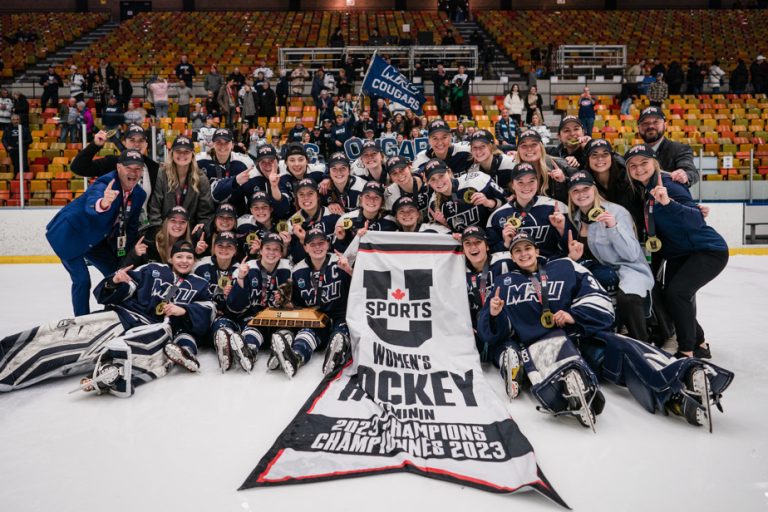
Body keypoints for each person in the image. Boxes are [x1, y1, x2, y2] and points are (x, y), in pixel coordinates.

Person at [478, 231, 733, 430]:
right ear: (512, 256)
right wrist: (494, 314)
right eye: (517, 251)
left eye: (527, 248)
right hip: (546, 344)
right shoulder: (503, 283)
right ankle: (572, 390)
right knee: (558, 353)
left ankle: (681, 381)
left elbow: (597, 298)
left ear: (536, 250)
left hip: (583, 337)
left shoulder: (565, 267)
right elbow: (494, 335)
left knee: (623, 348)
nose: (523, 254)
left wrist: (574, 315)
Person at [0, 239, 216, 397]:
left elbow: (208, 310)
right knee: (64, 332)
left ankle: (113, 368)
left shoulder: (199, 284)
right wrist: (115, 281)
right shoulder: (153, 269)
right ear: (171, 258)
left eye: (189, 257)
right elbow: (124, 286)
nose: (184, 261)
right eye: (179, 256)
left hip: (153, 328)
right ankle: (9, 356)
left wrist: (185, 311)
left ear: (194, 260)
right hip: (122, 316)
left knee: (148, 341)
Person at [624, 144, 728, 359]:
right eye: (633, 165)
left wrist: (668, 203)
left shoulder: (669, 185)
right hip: (679, 253)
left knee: (678, 293)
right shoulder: (645, 189)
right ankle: (699, 342)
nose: (639, 168)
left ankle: (686, 350)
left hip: (706, 250)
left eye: (644, 163)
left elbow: (696, 218)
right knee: (671, 296)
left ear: (655, 163)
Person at [46, 149, 147, 316]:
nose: (134, 173)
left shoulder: (139, 194)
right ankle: (82, 320)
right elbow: (92, 204)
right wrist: (104, 203)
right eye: (129, 168)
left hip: (95, 239)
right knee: (82, 280)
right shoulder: (105, 183)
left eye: (138, 169)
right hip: (69, 234)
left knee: (117, 271)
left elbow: (131, 226)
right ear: (118, 168)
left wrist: (128, 254)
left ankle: (118, 311)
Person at [565, 170, 653, 341]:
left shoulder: (616, 212)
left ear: (594, 189)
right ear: (570, 194)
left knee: (627, 298)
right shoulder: (573, 218)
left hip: (628, 269)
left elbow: (631, 254)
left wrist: (612, 226)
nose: (581, 194)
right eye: (575, 190)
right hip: (598, 273)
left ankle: (642, 344)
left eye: (585, 188)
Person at [271, 226, 352, 378]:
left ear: (328, 244)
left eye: (321, 243)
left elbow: (362, 287)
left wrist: (349, 271)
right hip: (316, 317)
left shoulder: (341, 261)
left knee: (340, 334)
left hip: (342, 315)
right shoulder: (297, 270)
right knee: (306, 333)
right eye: (312, 244)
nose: (317, 247)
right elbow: (297, 304)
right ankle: (296, 357)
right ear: (305, 247)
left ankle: (336, 355)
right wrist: (284, 302)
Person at [210, 232, 291, 373]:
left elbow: (294, 302)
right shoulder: (247, 268)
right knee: (239, 325)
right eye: (268, 248)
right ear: (260, 250)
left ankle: (269, 352)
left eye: (276, 249)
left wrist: (285, 302)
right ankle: (236, 351)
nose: (271, 252)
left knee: (278, 329)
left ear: (281, 252)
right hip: (248, 318)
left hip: (273, 320)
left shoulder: (288, 269)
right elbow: (234, 307)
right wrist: (240, 279)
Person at [71, 125, 159, 223]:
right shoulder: (111, 163)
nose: (136, 144)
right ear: (125, 142)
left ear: (146, 144)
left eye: (141, 140)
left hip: (141, 229)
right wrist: (95, 145)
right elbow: (78, 167)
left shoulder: (153, 168)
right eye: (132, 140)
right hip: (111, 230)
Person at [485, 162, 573, 256]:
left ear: (537, 182)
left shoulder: (556, 207)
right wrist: (505, 244)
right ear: (512, 185)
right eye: (520, 182)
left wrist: (562, 229)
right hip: (516, 267)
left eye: (531, 181)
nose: (526, 186)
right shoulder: (497, 216)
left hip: (551, 265)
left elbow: (571, 247)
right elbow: (490, 254)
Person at [461, 226, 513, 366]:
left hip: (506, 327)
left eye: (478, 242)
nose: (473, 247)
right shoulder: (457, 271)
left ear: (487, 246)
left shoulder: (504, 260)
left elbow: (533, 262)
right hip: (477, 333)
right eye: (468, 243)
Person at [148, 135, 214, 234]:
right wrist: (160, 234)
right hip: (163, 231)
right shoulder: (161, 175)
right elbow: (154, 209)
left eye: (186, 151)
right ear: (172, 153)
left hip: (189, 233)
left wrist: (199, 232)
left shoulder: (201, 179)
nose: (182, 155)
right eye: (178, 151)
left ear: (192, 154)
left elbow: (206, 214)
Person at [426, 158, 506, 233]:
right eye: (433, 179)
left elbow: (506, 203)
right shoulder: (433, 205)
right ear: (428, 183)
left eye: (441, 175)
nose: (439, 182)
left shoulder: (475, 181)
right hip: (465, 244)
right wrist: (444, 224)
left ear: (449, 172)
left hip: (493, 237)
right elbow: (448, 236)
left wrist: (488, 202)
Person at [196, 128, 256, 215]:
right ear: (213, 144)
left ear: (232, 145)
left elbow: (254, 187)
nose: (222, 146)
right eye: (219, 142)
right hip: (209, 214)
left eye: (226, 142)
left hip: (236, 215)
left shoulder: (244, 161)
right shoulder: (200, 161)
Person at [636, 106, 698, 186]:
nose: (651, 126)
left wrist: (684, 174)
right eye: (645, 123)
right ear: (639, 128)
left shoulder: (680, 149)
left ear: (665, 125)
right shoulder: (635, 153)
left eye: (656, 122)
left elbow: (691, 171)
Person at [332, 181, 397, 253]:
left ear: (382, 202)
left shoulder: (391, 222)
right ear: (360, 199)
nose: (371, 200)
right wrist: (341, 239)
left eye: (376, 197)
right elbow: (338, 251)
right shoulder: (346, 219)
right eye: (367, 196)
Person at [514, 129, 573, 203]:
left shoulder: (560, 166)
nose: (529, 149)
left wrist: (563, 182)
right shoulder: (513, 172)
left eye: (534, 144)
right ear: (518, 150)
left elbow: (574, 200)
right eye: (524, 145)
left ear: (541, 147)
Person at [123, 206, 191, 267]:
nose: (178, 225)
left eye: (182, 222)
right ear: (166, 222)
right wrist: (135, 254)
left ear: (187, 226)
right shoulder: (148, 240)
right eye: (173, 221)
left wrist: (198, 253)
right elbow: (124, 269)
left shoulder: (189, 245)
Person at [468, 129, 517, 194]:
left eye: (483, 146)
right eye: (474, 147)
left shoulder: (509, 163)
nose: (478, 151)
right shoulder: (473, 171)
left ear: (491, 147)